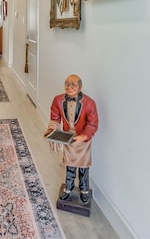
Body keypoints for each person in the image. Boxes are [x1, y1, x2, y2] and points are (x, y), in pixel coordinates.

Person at [44, 74, 99, 203]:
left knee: (84, 167)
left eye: (73, 85)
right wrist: (51, 130)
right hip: (68, 138)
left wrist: (84, 136)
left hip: (83, 141)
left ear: (80, 86)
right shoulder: (58, 100)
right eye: (66, 84)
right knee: (70, 165)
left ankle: (84, 190)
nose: (69, 87)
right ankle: (68, 188)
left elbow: (93, 124)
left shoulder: (89, 103)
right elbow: (55, 118)